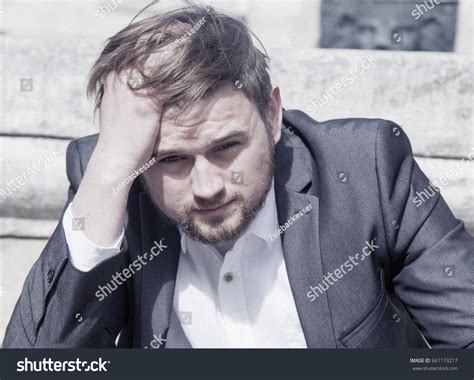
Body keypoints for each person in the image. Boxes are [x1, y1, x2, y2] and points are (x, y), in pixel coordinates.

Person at [3, 5, 473, 348]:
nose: (207, 187)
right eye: (173, 160)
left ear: (271, 114)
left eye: (227, 147)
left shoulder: (366, 167)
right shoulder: (116, 183)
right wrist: (107, 174)